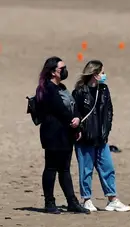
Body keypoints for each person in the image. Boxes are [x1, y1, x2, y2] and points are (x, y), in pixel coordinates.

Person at [72, 60, 130, 212]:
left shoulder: (104, 89)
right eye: (102, 72)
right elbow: (75, 113)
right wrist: (79, 129)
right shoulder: (79, 91)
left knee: (107, 167)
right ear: (95, 74)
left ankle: (113, 199)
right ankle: (86, 199)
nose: (104, 75)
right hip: (85, 138)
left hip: (101, 138)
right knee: (86, 170)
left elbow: (109, 111)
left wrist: (106, 130)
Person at [35, 56, 90, 214]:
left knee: (65, 169)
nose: (65, 71)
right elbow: (59, 109)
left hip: (66, 134)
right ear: (53, 72)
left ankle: (72, 202)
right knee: (51, 168)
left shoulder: (62, 87)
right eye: (62, 68)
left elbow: (72, 105)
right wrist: (72, 121)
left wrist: (78, 121)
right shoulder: (46, 88)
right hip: (53, 134)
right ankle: (49, 203)